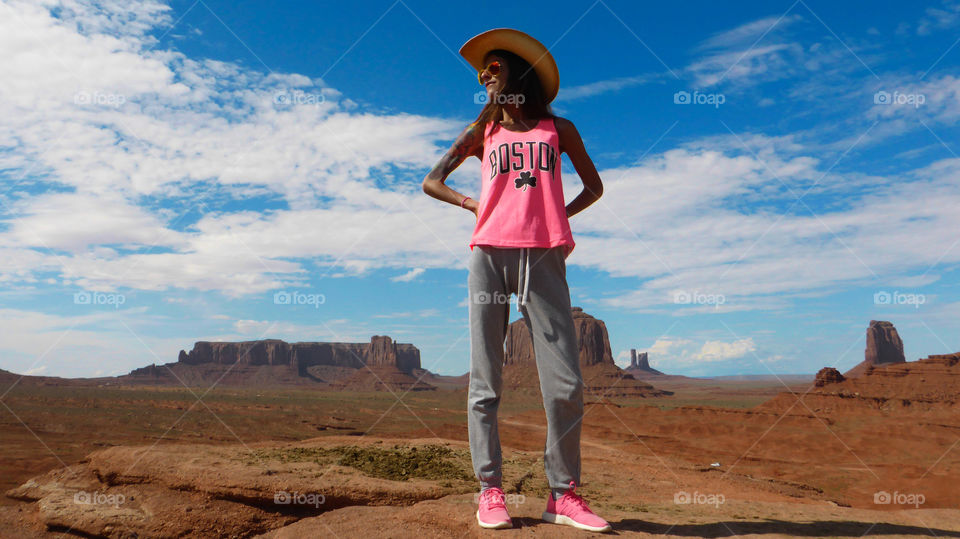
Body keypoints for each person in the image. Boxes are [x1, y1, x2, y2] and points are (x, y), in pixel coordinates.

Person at [421, 28, 609, 532]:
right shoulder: (482, 134)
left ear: (518, 72)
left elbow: (595, 187)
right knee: (486, 381)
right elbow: (430, 180)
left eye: (494, 67)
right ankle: (490, 491)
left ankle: (563, 495)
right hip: (488, 255)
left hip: (544, 258)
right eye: (482, 71)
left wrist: (556, 220)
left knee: (565, 383)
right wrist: (472, 204)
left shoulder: (558, 129)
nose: (485, 75)